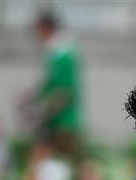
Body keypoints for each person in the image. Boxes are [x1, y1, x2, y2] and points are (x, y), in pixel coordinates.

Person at [33, 11, 82, 153]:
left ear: (45, 28)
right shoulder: (53, 55)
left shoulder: (63, 56)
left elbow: (64, 93)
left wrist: (44, 114)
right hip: (56, 121)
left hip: (63, 123)